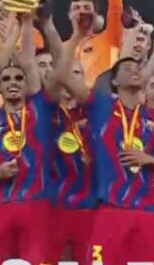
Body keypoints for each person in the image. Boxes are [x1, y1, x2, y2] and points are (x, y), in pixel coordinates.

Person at [56, 18, 154, 265]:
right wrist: (76, 36)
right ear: (115, 82)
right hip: (111, 211)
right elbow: (64, 77)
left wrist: (149, 160)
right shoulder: (101, 106)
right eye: (127, 68)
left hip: (147, 213)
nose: (135, 70)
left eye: (138, 68)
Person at [0, 11, 57, 264]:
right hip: (0, 205)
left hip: (36, 205)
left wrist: (26, 24)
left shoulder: (40, 109)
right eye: (6, 79)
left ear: (26, 84)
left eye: (19, 78)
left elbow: (29, 63)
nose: (12, 82)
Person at [49, 60, 96, 262]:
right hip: (52, 205)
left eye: (77, 72)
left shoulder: (95, 114)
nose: (71, 77)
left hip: (88, 205)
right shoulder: (45, 113)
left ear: (84, 80)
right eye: (67, 72)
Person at [71, 0, 124, 89]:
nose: (81, 11)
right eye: (76, 8)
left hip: (104, 99)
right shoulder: (62, 48)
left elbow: (116, 8)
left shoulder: (109, 39)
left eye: (87, 8)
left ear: (95, 16)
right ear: (69, 15)